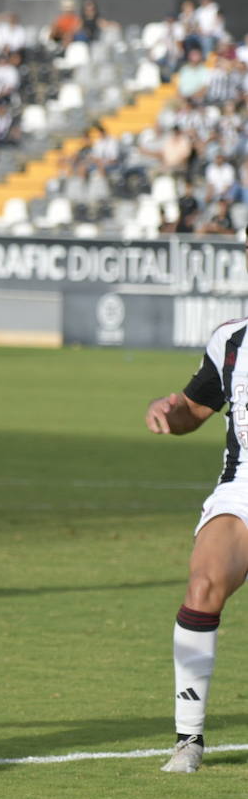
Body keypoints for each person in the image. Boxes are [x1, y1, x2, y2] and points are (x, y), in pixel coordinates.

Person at [143, 296, 248, 772]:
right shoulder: (232, 339)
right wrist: (168, 410)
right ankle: (189, 741)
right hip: (242, 489)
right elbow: (193, 409)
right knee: (202, 586)